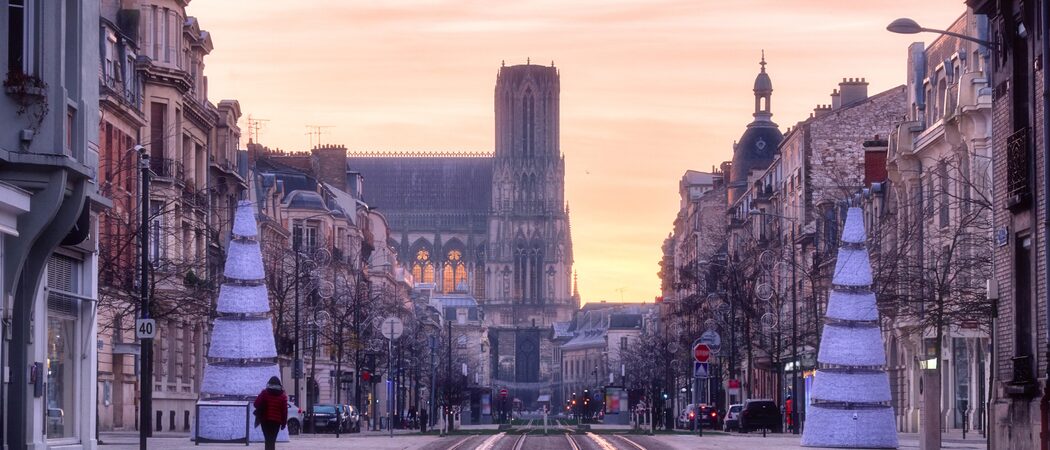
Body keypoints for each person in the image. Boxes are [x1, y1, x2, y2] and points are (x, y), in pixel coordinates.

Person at [254, 376, 288, 450]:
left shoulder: (264, 393)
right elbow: (284, 411)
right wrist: (284, 423)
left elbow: (256, 404)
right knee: (272, 440)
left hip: (265, 420)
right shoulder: (283, 396)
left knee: (267, 439)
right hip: (276, 422)